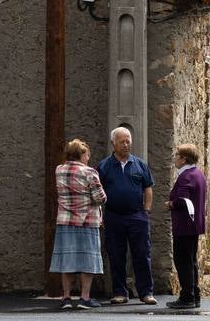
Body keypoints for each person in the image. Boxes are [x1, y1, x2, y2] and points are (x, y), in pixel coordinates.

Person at [96, 126, 157, 305]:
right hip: (114, 217)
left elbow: (148, 188)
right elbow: (96, 192)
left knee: (142, 254)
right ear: (113, 144)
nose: (126, 145)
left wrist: (146, 210)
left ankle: (146, 292)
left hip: (137, 216)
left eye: (128, 141)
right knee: (116, 255)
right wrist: (101, 216)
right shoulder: (104, 166)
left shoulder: (140, 164)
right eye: (122, 141)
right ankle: (119, 292)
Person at [50, 138, 107, 310]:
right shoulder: (89, 172)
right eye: (87, 154)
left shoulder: (59, 170)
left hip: (65, 221)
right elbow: (100, 197)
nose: (88, 157)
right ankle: (85, 297)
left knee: (67, 259)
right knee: (87, 260)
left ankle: (66, 297)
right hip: (87, 221)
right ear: (81, 154)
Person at [165, 143, 207, 310]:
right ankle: (194, 294)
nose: (175, 159)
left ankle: (187, 296)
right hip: (194, 225)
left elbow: (183, 200)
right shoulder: (198, 174)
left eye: (177, 156)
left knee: (182, 260)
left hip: (184, 225)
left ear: (183, 159)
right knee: (191, 261)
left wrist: (171, 204)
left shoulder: (186, 177)